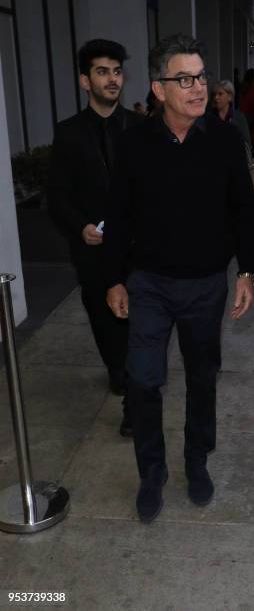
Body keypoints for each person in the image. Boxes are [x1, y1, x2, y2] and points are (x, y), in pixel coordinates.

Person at [103, 34, 254, 523]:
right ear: (158, 88)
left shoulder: (226, 139)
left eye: (201, 77)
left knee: (201, 378)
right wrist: (114, 279)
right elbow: (119, 215)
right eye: (184, 79)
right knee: (143, 380)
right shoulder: (133, 144)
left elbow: (244, 209)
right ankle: (152, 473)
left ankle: (196, 462)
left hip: (206, 284)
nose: (198, 88)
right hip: (148, 283)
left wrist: (247, 270)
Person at [47, 39, 143, 436]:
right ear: (85, 81)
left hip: (138, 249)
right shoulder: (68, 133)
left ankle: (134, 395)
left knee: (141, 323)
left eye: (117, 71)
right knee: (106, 323)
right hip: (92, 251)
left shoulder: (140, 128)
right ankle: (119, 371)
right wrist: (80, 227)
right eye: (102, 72)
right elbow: (57, 195)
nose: (112, 79)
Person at [211, 80, 251, 146]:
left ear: (230, 97)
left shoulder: (239, 117)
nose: (216, 97)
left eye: (220, 94)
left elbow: (246, 142)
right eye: (214, 94)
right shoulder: (209, 118)